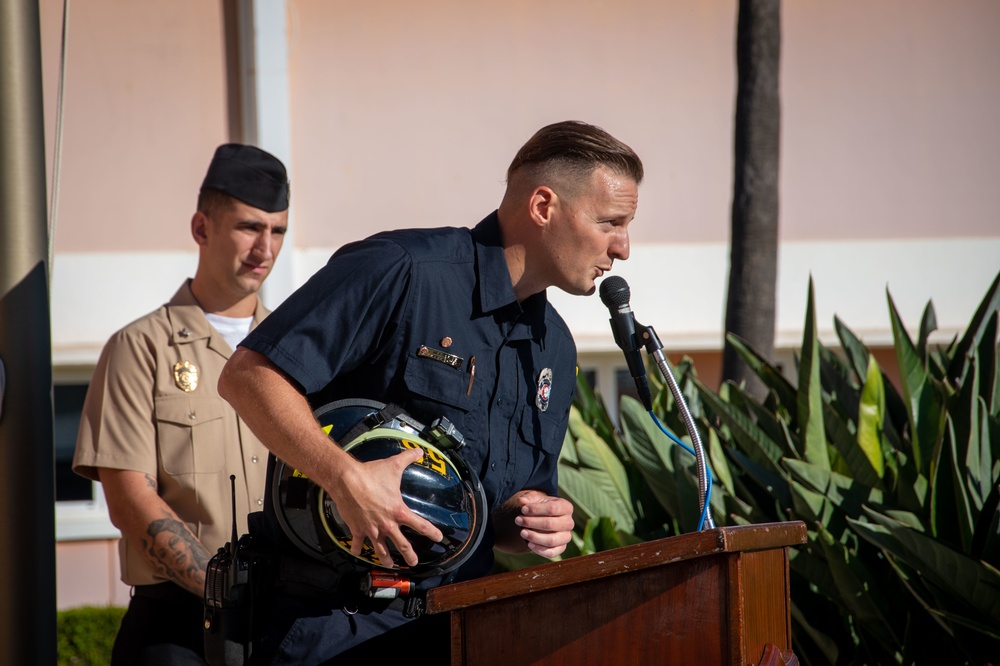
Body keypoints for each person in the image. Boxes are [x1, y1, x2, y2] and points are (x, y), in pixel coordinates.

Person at [217, 119, 643, 664]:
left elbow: (501, 509)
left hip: (461, 628)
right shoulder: (403, 270)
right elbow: (250, 375)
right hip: (332, 626)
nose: (624, 248)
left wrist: (537, 518)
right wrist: (345, 476)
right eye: (611, 222)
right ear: (543, 206)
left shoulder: (553, 346)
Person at [73, 143, 290, 665]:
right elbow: (130, 502)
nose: (265, 248)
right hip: (178, 629)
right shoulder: (139, 347)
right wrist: (229, 594)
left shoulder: (293, 350)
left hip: (283, 625)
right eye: (248, 227)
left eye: (277, 231)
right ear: (202, 228)